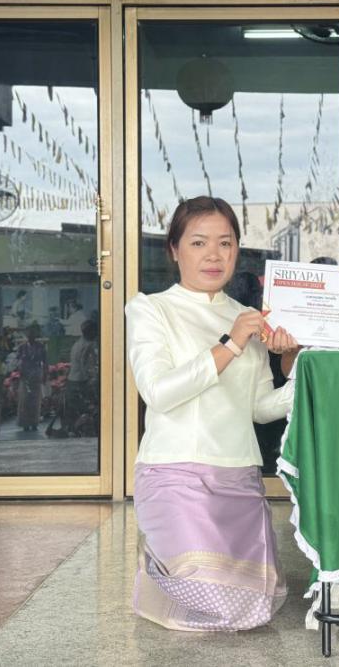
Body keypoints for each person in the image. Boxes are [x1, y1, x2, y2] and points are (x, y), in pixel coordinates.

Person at [125, 196, 297, 631]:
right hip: (174, 474)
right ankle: (157, 575)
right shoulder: (150, 309)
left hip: (238, 476)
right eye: (199, 243)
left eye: (226, 243)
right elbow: (159, 392)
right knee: (212, 604)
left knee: (256, 606)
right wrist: (231, 345)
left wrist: (302, 371)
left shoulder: (248, 317)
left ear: (237, 249)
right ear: (174, 249)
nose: (214, 255)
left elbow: (259, 409)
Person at [64, 319, 98, 435]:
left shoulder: (78, 343)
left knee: (74, 407)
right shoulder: (88, 345)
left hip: (72, 379)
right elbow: (84, 363)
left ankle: (73, 428)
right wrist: (90, 377)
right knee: (87, 406)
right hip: (81, 380)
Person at [16, 323, 47, 432]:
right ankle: (25, 423)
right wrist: (20, 370)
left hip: (36, 375)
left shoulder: (41, 346)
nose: (30, 335)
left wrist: (45, 375)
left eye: (32, 332)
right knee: (24, 400)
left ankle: (34, 423)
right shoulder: (21, 347)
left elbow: (45, 362)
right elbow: (17, 361)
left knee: (35, 400)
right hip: (25, 376)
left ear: (35, 334)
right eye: (28, 332)